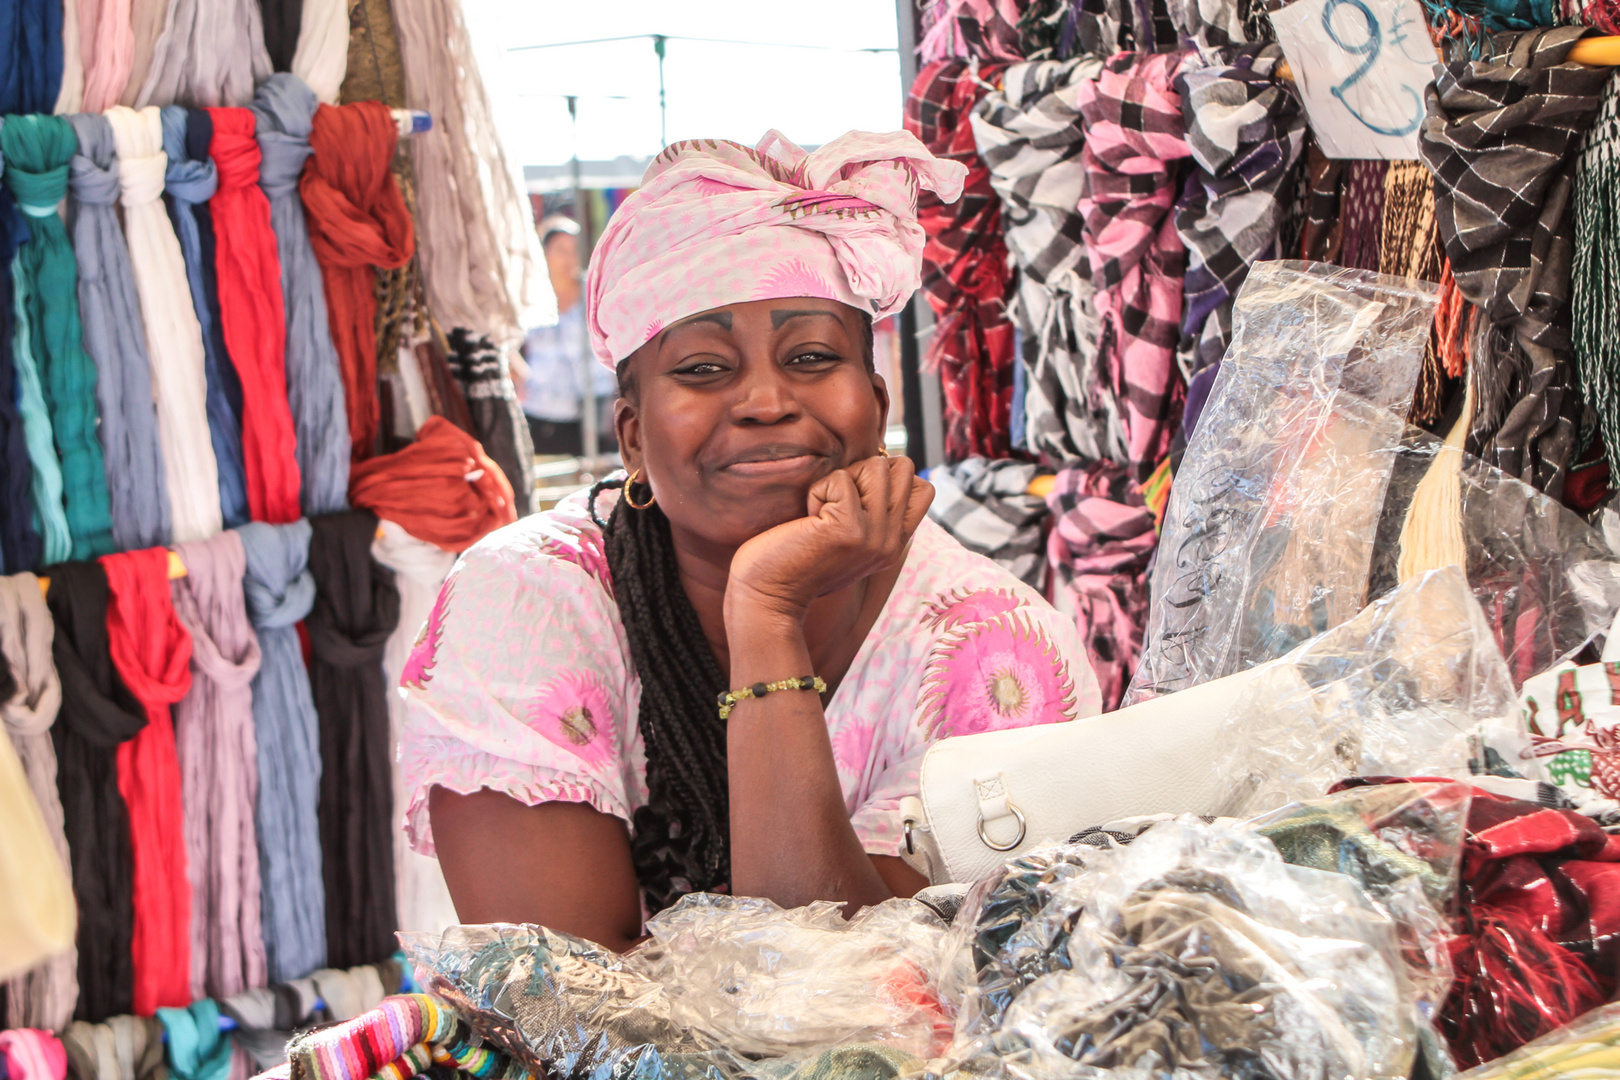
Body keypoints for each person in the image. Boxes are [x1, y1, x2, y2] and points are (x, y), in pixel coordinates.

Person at [400, 130, 1103, 951]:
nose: (766, 400)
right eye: (703, 369)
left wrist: (765, 613)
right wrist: (767, 605)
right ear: (631, 436)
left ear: (876, 406)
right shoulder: (528, 599)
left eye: (810, 356)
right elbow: (561, 1008)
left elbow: (856, 1005)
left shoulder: (993, 647)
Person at [521, 215, 618, 454]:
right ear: (543, 253)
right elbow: (507, 338)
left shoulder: (595, 291)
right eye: (561, 250)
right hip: (541, 407)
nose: (569, 258)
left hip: (592, 409)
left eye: (575, 249)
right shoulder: (528, 293)